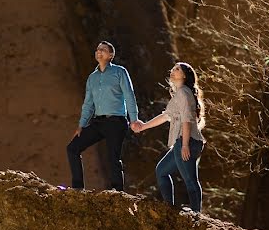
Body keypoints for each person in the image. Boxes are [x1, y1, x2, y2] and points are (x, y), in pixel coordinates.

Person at [132, 62, 206, 212]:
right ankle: (169, 209)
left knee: (190, 181)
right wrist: (143, 126)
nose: (173, 70)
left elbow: (187, 119)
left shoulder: (184, 93)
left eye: (177, 69)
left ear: (184, 75)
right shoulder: (180, 94)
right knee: (161, 171)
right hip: (185, 142)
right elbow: (166, 116)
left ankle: (196, 215)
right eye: (173, 68)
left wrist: (185, 145)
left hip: (187, 142)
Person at [66, 41, 139, 191]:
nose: (99, 51)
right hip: (98, 122)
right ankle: (77, 189)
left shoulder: (120, 72)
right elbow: (88, 104)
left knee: (112, 157)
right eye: (98, 49)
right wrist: (81, 125)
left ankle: (117, 192)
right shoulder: (92, 78)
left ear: (111, 55)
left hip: (116, 121)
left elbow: (129, 96)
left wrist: (134, 119)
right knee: (72, 148)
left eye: (103, 50)